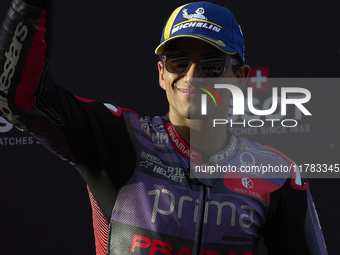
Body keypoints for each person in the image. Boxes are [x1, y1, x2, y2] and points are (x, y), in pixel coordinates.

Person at [0, 0, 327, 254]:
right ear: (161, 73)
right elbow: (20, 100)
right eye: (178, 61)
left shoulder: (276, 173)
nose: (192, 76)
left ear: (240, 79)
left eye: (212, 65)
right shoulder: (122, 139)